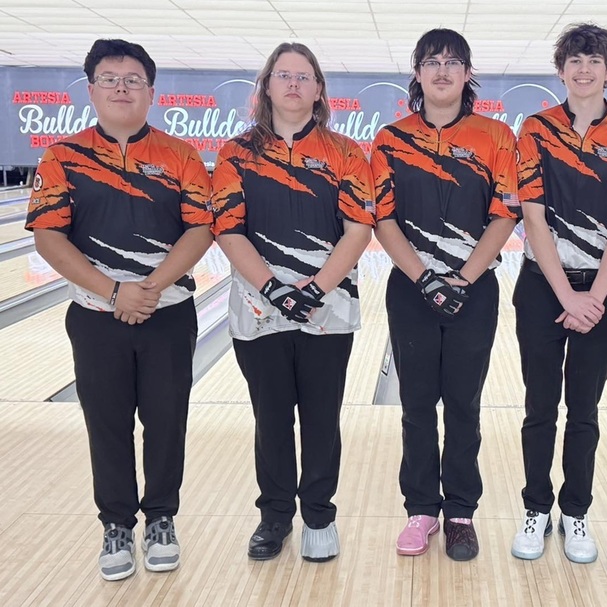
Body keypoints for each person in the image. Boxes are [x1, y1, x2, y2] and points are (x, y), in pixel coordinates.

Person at [25, 39, 213, 580]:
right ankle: (115, 524)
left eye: (133, 79)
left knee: (165, 422)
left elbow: (200, 228)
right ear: (91, 90)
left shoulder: (181, 155)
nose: (122, 88)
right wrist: (113, 292)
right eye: (110, 79)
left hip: (169, 312)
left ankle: (160, 519)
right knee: (105, 423)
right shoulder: (61, 157)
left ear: (151, 91)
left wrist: (148, 287)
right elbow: (48, 238)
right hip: (94, 315)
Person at [211, 42, 374, 563]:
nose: (294, 84)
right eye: (283, 75)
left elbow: (358, 229)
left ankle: (319, 516)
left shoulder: (346, 152)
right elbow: (228, 229)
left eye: (304, 76)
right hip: (259, 309)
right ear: (266, 86)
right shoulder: (235, 154)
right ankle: (275, 515)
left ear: (319, 89)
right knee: (272, 417)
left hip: (328, 307)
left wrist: (315, 288)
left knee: (322, 418)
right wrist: (273, 288)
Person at [371, 28, 520, 562]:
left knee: (463, 404)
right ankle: (420, 509)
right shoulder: (390, 139)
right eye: (431, 62)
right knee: (415, 405)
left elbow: (506, 211)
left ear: (466, 74)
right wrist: (425, 279)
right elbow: (381, 218)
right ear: (417, 73)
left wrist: (463, 278)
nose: (441, 71)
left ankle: (459, 512)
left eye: (452, 62)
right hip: (412, 289)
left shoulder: (497, 136)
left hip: (473, 291)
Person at [512, 24, 607, 564]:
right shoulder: (535, 128)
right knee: (539, 405)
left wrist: (593, 293)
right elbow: (533, 214)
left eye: (595, 60)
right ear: (561, 69)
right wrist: (565, 295)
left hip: (602, 287)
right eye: (575, 59)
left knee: (585, 409)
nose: (584, 68)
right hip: (542, 286)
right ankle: (536, 508)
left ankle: (576, 512)